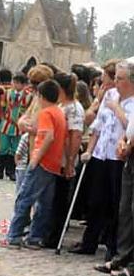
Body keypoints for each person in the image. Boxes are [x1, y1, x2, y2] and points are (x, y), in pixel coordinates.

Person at [71, 61, 134, 258]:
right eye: (115, 78)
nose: (115, 82)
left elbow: (129, 126)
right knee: (95, 200)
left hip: (118, 157)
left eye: (119, 79)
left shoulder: (130, 102)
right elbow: (98, 125)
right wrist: (89, 149)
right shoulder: (109, 94)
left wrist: (117, 108)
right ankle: (89, 242)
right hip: (100, 153)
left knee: (116, 204)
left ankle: (113, 248)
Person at [0, 78, 66, 249]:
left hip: (42, 162)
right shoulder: (59, 112)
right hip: (54, 164)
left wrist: (35, 159)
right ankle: (35, 237)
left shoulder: (46, 113)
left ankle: (13, 236)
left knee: (24, 197)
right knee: (44, 203)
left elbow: (48, 136)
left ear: (40, 96)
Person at [45, 71, 85, 249]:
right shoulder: (61, 105)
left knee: (60, 200)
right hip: (54, 158)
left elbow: (76, 136)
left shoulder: (75, 109)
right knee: (51, 198)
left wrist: (70, 162)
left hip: (63, 159)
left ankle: (54, 236)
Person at [99, 94, 134, 276]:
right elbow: (130, 128)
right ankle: (122, 257)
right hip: (130, 157)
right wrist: (124, 141)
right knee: (125, 210)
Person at [0, 72, 29, 180]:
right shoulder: (8, 93)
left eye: (18, 83)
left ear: (23, 84)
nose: (15, 85)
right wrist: (2, 118)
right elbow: (2, 107)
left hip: (19, 126)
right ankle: (0, 170)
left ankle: (11, 171)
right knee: (3, 147)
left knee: (15, 148)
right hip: (7, 123)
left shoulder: (29, 96)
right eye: (14, 82)